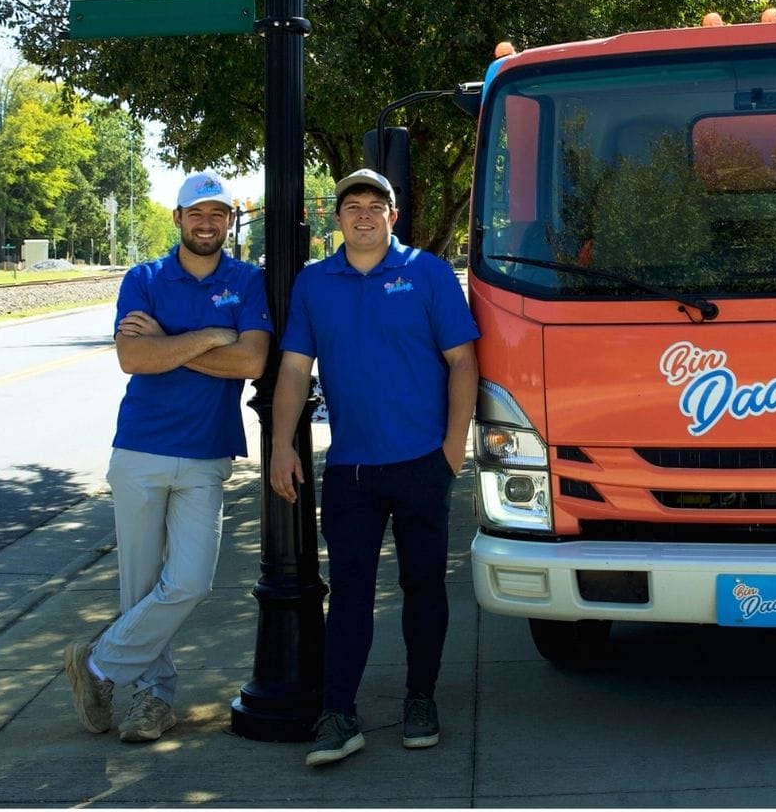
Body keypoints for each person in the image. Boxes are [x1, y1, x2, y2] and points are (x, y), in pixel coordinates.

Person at [268, 169, 479, 767]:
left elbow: (463, 361)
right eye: (352, 205)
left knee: (423, 587)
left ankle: (420, 699)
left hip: (421, 464)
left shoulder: (428, 274)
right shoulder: (314, 284)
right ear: (338, 218)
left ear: (393, 214)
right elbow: (292, 369)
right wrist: (283, 444)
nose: (363, 214)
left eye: (375, 205)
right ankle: (339, 715)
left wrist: (452, 448)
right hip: (351, 471)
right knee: (352, 593)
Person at [63, 171, 269, 743]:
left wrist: (171, 343)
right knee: (141, 584)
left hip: (206, 452)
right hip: (140, 450)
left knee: (190, 581)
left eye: (218, 214)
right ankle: (152, 701)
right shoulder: (145, 277)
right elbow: (133, 357)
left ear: (231, 221)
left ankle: (99, 666)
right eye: (196, 214)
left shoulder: (248, 281)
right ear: (177, 219)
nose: (207, 224)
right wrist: (211, 336)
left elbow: (251, 363)